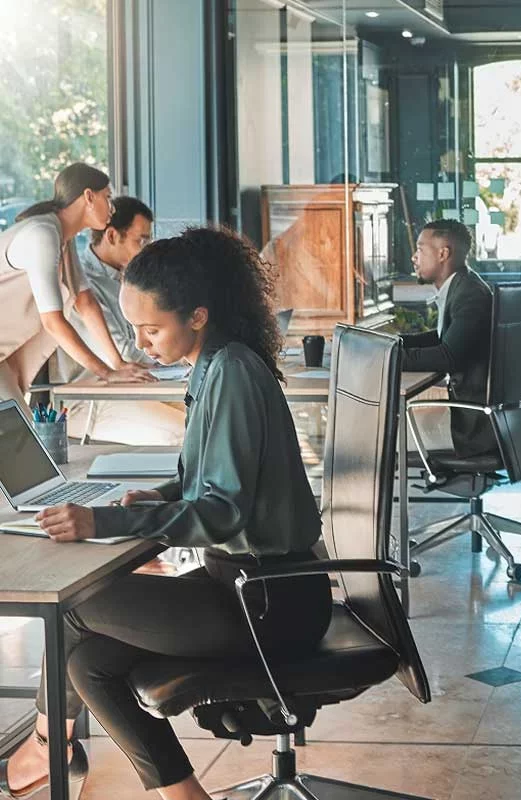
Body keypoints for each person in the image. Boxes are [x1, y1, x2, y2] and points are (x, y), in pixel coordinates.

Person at [0, 227, 333, 800]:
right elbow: (208, 475)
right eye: (133, 328)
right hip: (250, 588)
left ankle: (44, 750)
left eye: (151, 329)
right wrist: (161, 493)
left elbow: (223, 512)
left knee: (73, 608)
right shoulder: (214, 365)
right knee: (89, 664)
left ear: (198, 315)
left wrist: (102, 522)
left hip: (268, 601)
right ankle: (182, 795)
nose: (141, 343)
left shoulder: (230, 372)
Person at [0, 163, 151, 418]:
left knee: (19, 438)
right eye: (108, 197)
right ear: (88, 197)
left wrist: (117, 364)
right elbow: (53, 322)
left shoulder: (62, 238)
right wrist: (106, 373)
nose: (112, 208)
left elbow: (85, 301)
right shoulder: (42, 235)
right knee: (18, 438)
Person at [58, 196, 186, 446]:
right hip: (94, 399)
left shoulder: (127, 279)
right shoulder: (85, 286)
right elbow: (123, 353)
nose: (146, 248)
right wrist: (180, 351)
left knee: (213, 420)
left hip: (137, 385)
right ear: (112, 236)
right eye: (141, 240)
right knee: (183, 434)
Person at [404, 219, 495, 456]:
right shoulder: (464, 285)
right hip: (472, 417)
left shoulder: (470, 295)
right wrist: (393, 344)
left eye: (421, 249)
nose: (415, 257)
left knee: (382, 434)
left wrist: (388, 358)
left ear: (443, 253)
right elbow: (444, 338)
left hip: (471, 427)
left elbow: (448, 356)